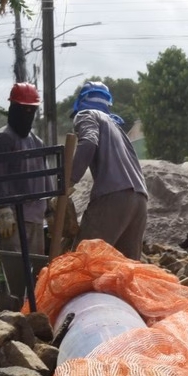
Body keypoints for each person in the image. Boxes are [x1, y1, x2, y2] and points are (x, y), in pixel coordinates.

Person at [0, 82, 53, 311]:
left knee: (33, 272)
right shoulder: (3, 139)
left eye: (31, 111)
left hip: (35, 218)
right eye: (23, 110)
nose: (27, 115)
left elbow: (45, 179)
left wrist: (51, 210)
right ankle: (6, 312)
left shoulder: (37, 142)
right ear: (13, 108)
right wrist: (4, 209)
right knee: (11, 270)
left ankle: (29, 313)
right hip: (12, 220)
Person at [69, 81, 148, 260]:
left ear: (81, 102)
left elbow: (88, 141)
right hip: (140, 200)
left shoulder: (86, 114)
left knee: (84, 261)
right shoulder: (116, 127)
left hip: (114, 197)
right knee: (125, 270)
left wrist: (69, 181)